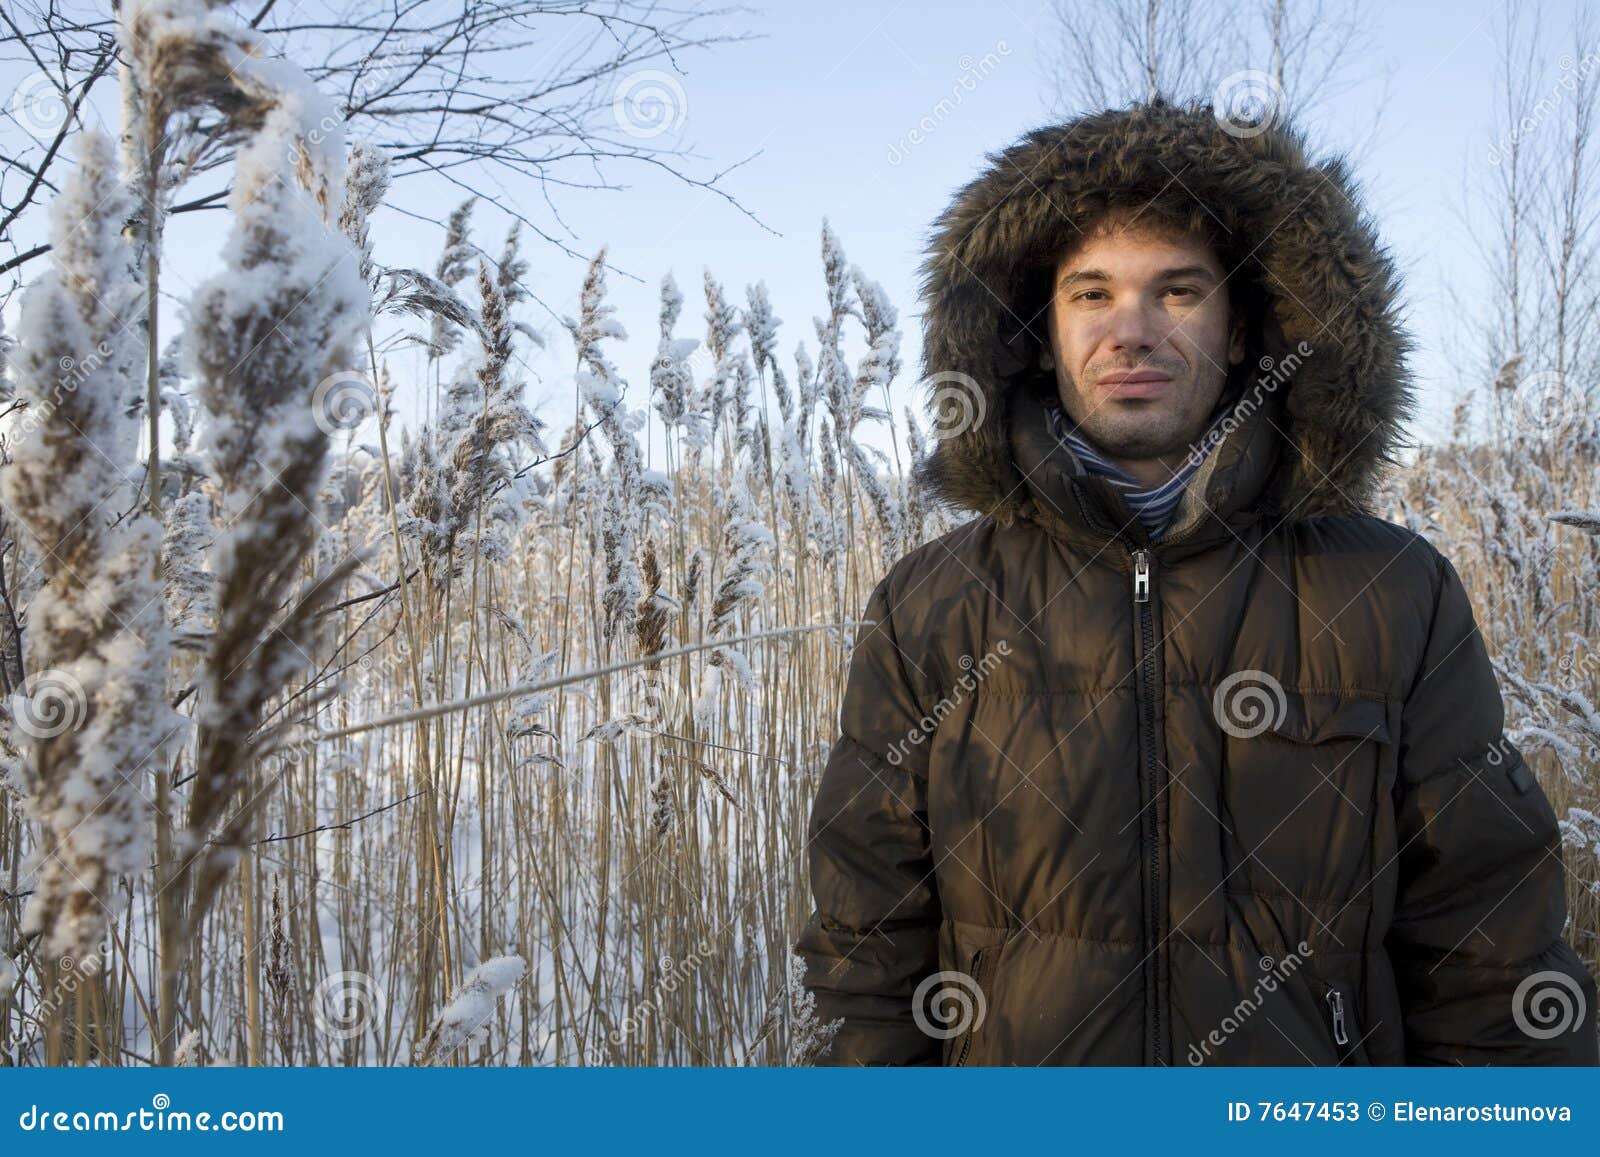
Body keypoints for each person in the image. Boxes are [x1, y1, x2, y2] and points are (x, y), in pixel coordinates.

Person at [793, 98, 1598, 1066]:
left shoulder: (1389, 589)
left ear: (1244, 331)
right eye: (1090, 293)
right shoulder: (932, 601)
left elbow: (1486, 934)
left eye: (1175, 292)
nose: (1129, 331)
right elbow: (867, 940)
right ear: (1039, 335)